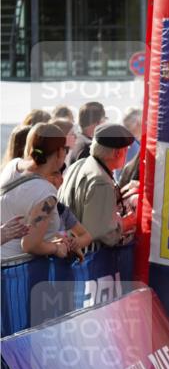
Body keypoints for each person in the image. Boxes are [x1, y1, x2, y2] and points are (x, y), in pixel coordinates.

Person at [0, 124, 71, 262]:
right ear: (59, 152)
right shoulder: (46, 193)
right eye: (65, 149)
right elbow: (29, 245)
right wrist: (56, 248)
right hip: (20, 271)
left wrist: (54, 239)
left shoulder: (13, 165)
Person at [58, 122, 136, 246]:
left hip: (72, 251)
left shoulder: (80, 164)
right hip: (89, 259)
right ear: (117, 153)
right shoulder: (101, 181)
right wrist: (126, 222)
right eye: (125, 150)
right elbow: (105, 236)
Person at [66, 101, 106, 165]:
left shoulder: (77, 141)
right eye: (104, 120)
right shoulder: (88, 148)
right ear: (97, 123)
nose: (105, 124)